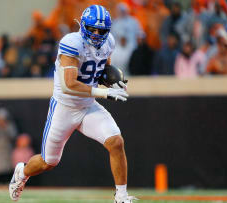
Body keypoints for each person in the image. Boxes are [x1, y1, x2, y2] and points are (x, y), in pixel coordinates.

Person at [9, 5, 135, 203]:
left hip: (87, 106)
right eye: (92, 29)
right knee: (48, 162)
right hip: (65, 107)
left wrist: (113, 81)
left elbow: (104, 69)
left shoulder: (108, 42)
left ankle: (121, 197)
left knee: (116, 142)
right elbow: (69, 84)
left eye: (100, 30)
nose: (96, 34)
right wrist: (104, 92)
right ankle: (22, 172)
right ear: (83, 26)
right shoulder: (72, 42)